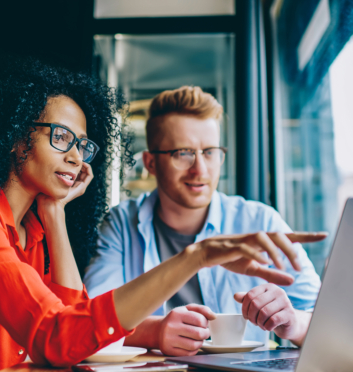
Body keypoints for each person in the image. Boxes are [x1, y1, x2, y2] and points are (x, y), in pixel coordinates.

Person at [0, 60, 324, 372]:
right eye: (61, 137)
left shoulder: (33, 227)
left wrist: (55, 214)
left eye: (82, 144)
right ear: (14, 136)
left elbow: (70, 320)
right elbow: (58, 336)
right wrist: (195, 257)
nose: (77, 157)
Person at [84, 86, 324, 356]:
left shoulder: (260, 221)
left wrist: (293, 323)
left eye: (210, 152)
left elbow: (328, 320)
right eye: (183, 153)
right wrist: (155, 331)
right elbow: (89, 321)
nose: (200, 169)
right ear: (150, 163)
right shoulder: (121, 224)